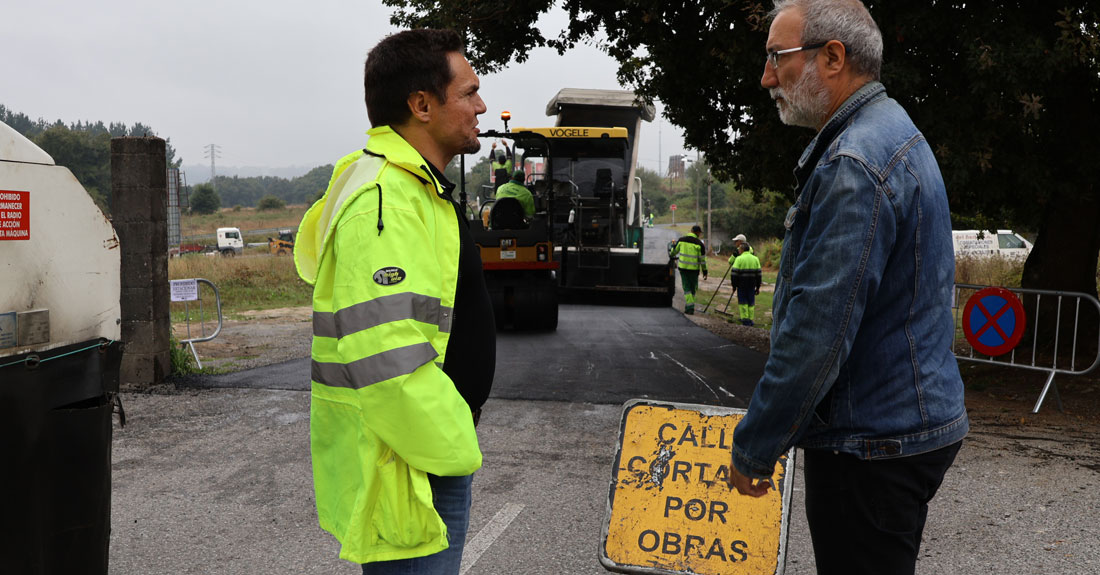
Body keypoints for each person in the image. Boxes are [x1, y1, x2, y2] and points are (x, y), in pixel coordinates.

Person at [726, 2, 968, 574]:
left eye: (774, 58)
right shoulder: (893, 131)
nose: (765, 78)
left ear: (832, 57)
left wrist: (756, 446)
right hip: (907, 425)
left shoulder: (853, 163)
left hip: (871, 444)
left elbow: (817, 333)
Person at [293, 28, 495, 574]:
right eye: (469, 92)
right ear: (422, 105)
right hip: (409, 462)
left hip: (424, 454)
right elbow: (387, 355)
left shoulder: (419, 192)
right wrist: (453, 437)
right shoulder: (386, 201)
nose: (482, 106)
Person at [669, 225, 707, 315]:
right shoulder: (699, 244)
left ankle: (689, 307)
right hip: (694, 270)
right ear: (697, 232)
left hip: (684, 269)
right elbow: (703, 260)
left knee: (687, 288)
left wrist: (671, 250)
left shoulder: (682, 240)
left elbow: (674, 252)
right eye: (700, 233)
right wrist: (705, 271)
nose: (700, 235)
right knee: (692, 289)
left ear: (691, 231)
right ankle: (690, 307)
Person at [728, 241, 762, 326]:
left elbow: (734, 274)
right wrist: (758, 287)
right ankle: (750, 319)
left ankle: (745, 319)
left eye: (739, 249)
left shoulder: (739, 259)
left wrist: (734, 286)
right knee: (751, 302)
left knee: (743, 302)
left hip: (742, 285)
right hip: (752, 285)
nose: (738, 251)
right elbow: (759, 274)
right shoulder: (755, 259)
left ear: (742, 250)